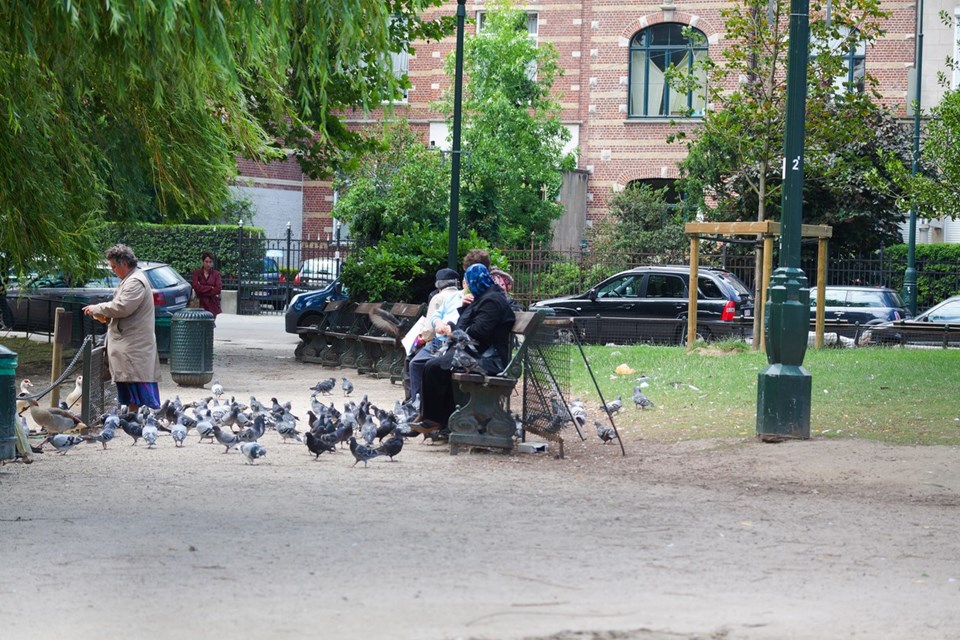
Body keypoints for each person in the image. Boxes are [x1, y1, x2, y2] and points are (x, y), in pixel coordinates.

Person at [417, 263, 516, 430]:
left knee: (435, 367)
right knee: (433, 365)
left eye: (469, 283)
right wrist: (464, 308)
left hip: (489, 359)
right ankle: (437, 418)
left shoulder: (492, 301)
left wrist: (452, 330)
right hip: (476, 352)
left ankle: (437, 419)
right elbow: (466, 326)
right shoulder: (483, 297)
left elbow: (478, 333)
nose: (467, 287)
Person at [82, 244, 162, 411]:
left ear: (124, 262)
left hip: (133, 346)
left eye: (114, 266)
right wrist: (102, 314)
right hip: (130, 345)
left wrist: (97, 308)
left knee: (135, 386)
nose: (113, 270)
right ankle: (133, 417)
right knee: (131, 386)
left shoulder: (135, 281)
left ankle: (134, 418)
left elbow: (122, 307)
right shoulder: (130, 279)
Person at [407, 268, 462, 403]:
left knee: (414, 363)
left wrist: (420, 339)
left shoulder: (438, 297)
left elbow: (429, 331)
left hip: (439, 343)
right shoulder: (461, 295)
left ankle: (416, 403)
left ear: (438, 284)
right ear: (457, 283)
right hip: (453, 341)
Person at [191, 251, 222, 317]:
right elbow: (196, 287)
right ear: (203, 262)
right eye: (206, 261)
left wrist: (202, 290)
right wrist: (210, 288)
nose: (208, 264)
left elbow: (218, 289)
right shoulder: (197, 273)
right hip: (200, 304)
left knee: (211, 324)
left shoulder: (216, 274)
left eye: (210, 262)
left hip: (213, 305)